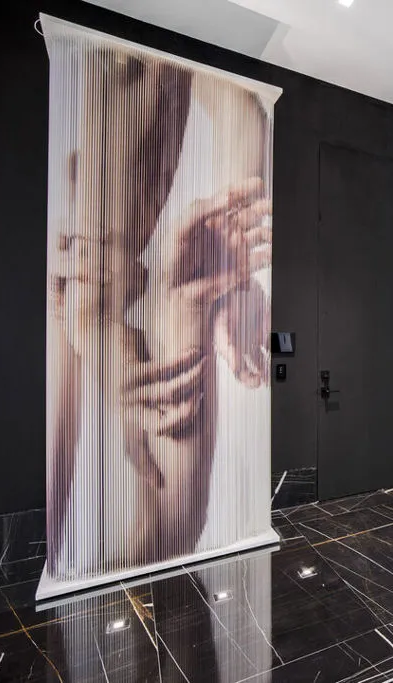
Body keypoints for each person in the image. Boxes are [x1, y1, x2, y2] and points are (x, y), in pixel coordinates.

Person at [45, 38, 273, 577]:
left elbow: (237, 102)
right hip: (88, 276)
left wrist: (233, 274)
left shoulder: (182, 57)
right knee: (64, 521)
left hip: (112, 276)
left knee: (169, 529)